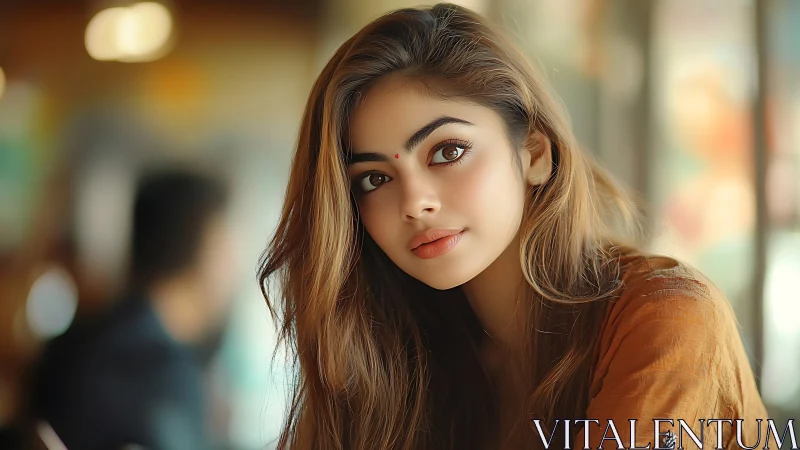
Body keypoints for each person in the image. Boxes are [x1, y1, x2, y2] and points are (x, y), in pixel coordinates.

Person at [257, 4, 768, 450]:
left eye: (447, 151)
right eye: (374, 178)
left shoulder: (667, 320)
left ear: (535, 153)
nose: (414, 203)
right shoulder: (396, 362)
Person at [31, 169, 237, 450]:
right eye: (228, 249)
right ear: (205, 255)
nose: (235, 270)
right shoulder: (170, 379)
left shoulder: (61, 351)